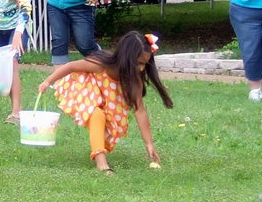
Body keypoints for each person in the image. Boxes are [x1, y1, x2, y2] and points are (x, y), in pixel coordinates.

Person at [38, 31, 172, 174]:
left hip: (107, 102)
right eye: (138, 63)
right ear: (125, 57)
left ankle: (100, 151)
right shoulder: (100, 65)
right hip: (84, 90)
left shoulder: (134, 81)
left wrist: (149, 143)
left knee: (103, 120)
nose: (141, 69)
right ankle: (101, 164)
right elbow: (70, 66)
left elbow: (139, 110)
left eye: (144, 64)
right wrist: (47, 82)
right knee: (96, 114)